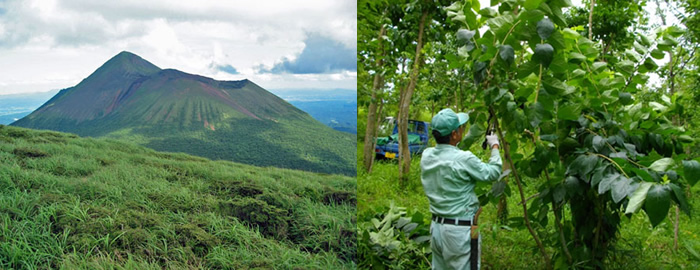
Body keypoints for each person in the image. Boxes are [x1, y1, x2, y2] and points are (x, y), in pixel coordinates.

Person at [421, 108, 502, 270]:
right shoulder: (463, 158)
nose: (462, 130)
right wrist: (494, 146)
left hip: (436, 228)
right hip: (458, 232)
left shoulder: (426, 155)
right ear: (454, 134)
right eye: (460, 128)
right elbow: (492, 173)